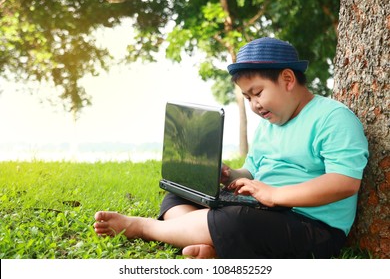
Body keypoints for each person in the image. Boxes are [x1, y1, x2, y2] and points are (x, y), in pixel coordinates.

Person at [94, 37, 369, 259]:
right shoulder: (269, 125)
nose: (254, 105)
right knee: (178, 195)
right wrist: (231, 176)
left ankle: (144, 227)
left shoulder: (333, 118)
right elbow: (252, 171)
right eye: (247, 97)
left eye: (258, 93)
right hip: (266, 210)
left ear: (287, 79)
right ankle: (213, 243)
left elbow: (344, 182)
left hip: (312, 227)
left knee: (236, 220)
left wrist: (275, 195)